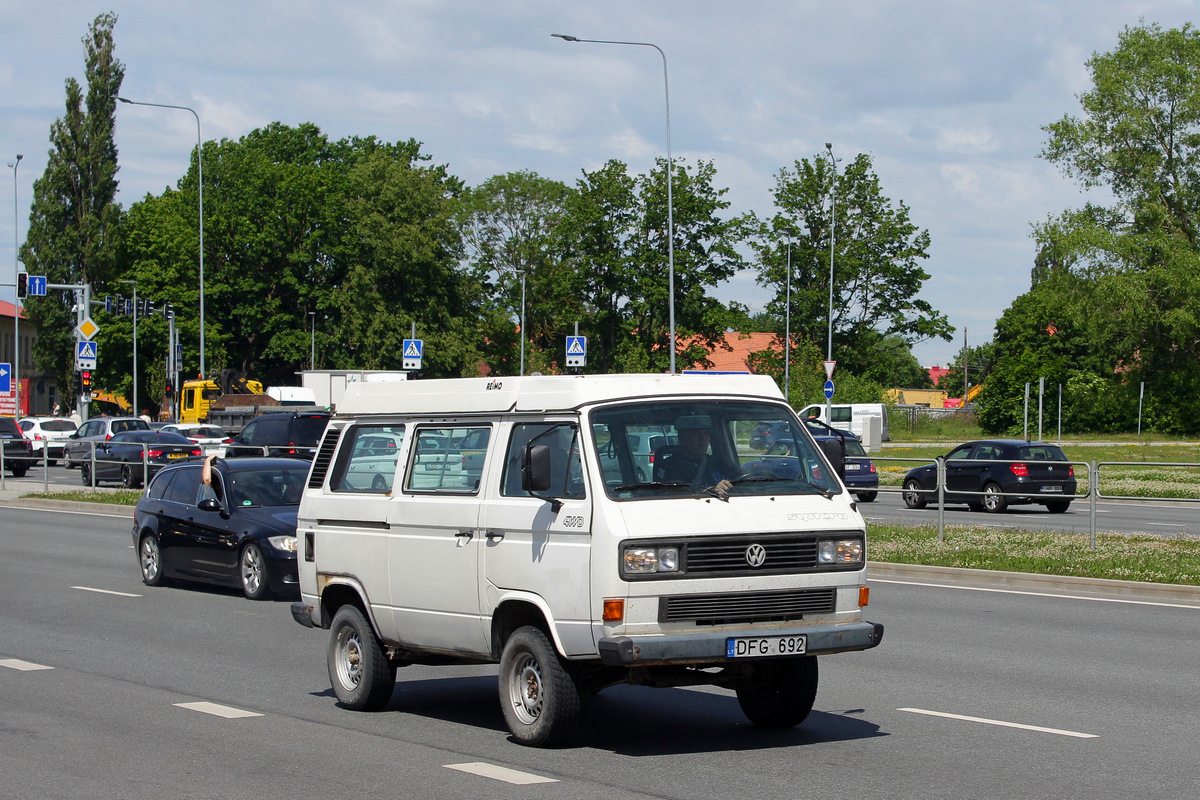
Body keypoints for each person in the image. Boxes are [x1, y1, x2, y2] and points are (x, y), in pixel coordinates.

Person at [656, 414, 736, 495]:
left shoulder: (718, 463)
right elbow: (662, 495)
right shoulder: (669, 466)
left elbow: (740, 479)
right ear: (682, 438)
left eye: (706, 433)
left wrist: (725, 486)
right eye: (695, 434)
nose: (703, 438)